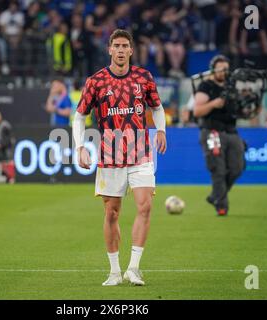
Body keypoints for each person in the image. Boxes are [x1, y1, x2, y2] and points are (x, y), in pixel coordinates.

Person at [72, 29, 167, 286]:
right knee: (112, 213)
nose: (122, 49)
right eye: (117, 46)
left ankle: (133, 268)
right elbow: (79, 116)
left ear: (131, 50)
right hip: (110, 154)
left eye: (126, 45)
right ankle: (114, 271)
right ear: (110, 50)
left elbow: (157, 108)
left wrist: (161, 130)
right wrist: (79, 147)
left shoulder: (144, 78)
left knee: (145, 206)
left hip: (140, 152)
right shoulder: (96, 81)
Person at [193, 55, 246, 216]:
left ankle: (216, 195)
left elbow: (239, 112)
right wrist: (213, 104)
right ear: (213, 70)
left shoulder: (232, 87)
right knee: (218, 169)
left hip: (231, 131)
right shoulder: (205, 86)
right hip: (212, 132)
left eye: (226, 69)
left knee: (238, 167)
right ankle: (222, 206)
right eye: (220, 69)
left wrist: (251, 109)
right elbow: (197, 111)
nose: (224, 72)